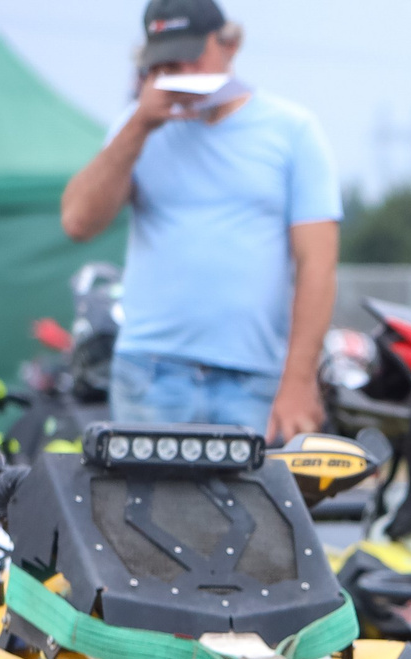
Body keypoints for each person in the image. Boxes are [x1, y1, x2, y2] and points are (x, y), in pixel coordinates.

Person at [59, 1, 339, 443]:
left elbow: (318, 266)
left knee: (253, 512)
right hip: (149, 371)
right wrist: (140, 124)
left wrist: (299, 381)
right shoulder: (135, 129)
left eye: (190, 55)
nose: (180, 70)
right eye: (165, 61)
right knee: (143, 511)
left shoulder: (293, 131)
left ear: (230, 45)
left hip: (254, 377)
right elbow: (77, 222)